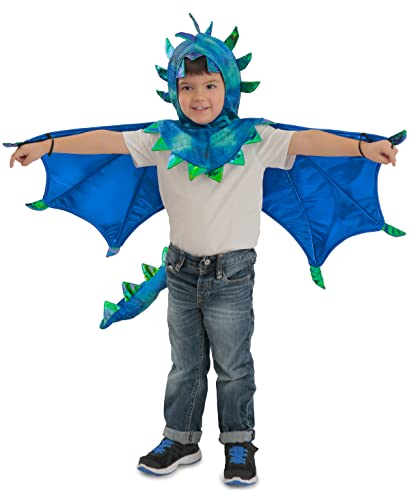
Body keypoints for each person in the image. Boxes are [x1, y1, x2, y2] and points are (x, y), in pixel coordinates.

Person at [9, 17, 399, 487]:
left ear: (228, 88)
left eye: (210, 85)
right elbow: (106, 140)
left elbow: (307, 140)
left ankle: (238, 441)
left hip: (232, 276)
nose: (199, 97)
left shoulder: (257, 138)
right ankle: (181, 439)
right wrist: (48, 144)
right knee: (185, 365)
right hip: (180, 271)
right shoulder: (160, 139)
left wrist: (361, 148)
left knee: (233, 367)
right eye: (188, 87)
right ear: (174, 92)